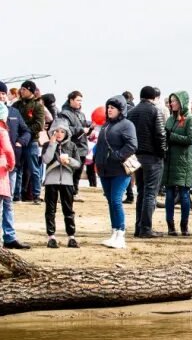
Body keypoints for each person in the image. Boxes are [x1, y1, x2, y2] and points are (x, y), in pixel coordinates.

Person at [95, 96, 138, 249]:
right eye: (108, 107)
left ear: (120, 109)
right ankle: (114, 232)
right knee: (110, 202)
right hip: (105, 170)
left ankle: (121, 234)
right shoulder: (106, 125)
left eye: (113, 107)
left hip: (120, 170)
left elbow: (132, 145)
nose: (109, 110)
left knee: (116, 200)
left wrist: (117, 156)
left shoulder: (127, 125)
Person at [126, 86, 167, 238]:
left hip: (137, 156)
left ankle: (139, 227)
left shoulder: (131, 112)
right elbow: (160, 135)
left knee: (141, 192)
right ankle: (146, 228)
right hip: (153, 156)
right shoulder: (155, 111)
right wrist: (163, 153)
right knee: (150, 193)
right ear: (154, 97)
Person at [41, 121, 81, 248]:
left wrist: (68, 161)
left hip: (67, 181)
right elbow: (45, 159)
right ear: (52, 132)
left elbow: (78, 164)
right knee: (50, 210)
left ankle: (71, 236)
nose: (59, 134)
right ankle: (51, 237)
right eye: (56, 131)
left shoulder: (72, 145)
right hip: (51, 181)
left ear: (66, 133)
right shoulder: (47, 144)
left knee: (68, 209)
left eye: (62, 131)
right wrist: (52, 145)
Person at [162, 91, 192, 236]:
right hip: (169, 161)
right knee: (169, 195)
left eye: (174, 101)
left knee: (184, 194)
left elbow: (190, 139)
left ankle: (184, 225)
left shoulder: (191, 119)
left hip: (184, 162)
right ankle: (170, 226)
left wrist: (171, 136)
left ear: (182, 102)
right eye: (170, 101)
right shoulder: (170, 119)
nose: (171, 104)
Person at [0, 110, 30, 250]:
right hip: (3, 171)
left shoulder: (15, 113)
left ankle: (10, 237)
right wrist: (11, 165)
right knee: (6, 203)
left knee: (7, 203)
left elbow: (26, 131)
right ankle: (8, 237)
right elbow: (8, 150)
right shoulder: (2, 130)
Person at [13, 81, 46, 204]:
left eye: (24, 89)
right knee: (18, 168)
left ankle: (37, 195)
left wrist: (25, 131)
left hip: (32, 141)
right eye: (21, 89)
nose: (22, 91)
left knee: (34, 169)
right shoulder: (16, 105)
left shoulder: (38, 106)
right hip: (18, 141)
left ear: (31, 91)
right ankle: (17, 195)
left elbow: (39, 124)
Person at [56, 91, 91, 198]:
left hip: (83, 146)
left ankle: (74, 192)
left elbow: (85, 128)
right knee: (69, 171)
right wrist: (81, 129)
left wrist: (90, 128)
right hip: (71, 147)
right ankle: (66, 193)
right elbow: (65, 129)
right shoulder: (64, 114)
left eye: (81, 100)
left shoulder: (81, 114)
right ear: (71, 100)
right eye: (77, 100)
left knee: (78, 172)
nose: (79, 103)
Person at [2, 83, 31, 207]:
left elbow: (26, 130)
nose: (2, 96)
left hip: (13, 158)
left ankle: (8, 227)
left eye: (4, 93)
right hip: (1, 161)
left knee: (9, 200)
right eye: (0, 93)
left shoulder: (14, 112)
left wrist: (21, 142)